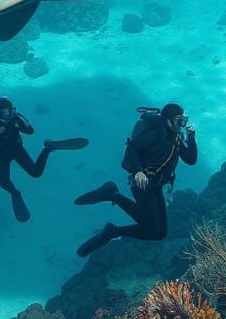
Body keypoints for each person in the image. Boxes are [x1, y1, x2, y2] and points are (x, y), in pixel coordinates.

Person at [74, 102, 198, 257]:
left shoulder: (177, 137)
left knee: (159, 233)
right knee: (151, 227)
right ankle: (112, 198)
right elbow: (132, 148)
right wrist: (138, 171)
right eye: (179, 120)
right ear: (167, 120)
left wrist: (191, 137)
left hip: (156, 186)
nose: (181, 124)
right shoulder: (155, 134)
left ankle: (113, 215)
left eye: (183, 120)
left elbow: (191, 159)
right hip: (142, 184)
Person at [0, 96, 88, 222]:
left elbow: (30, 131)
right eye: (5, 111)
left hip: (16, 148)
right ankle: (14, 193)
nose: (8, 114)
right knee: (3, 182)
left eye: (10, 111)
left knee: (36, 173)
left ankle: (48, 148)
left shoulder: (16, 117)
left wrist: (18, 125)